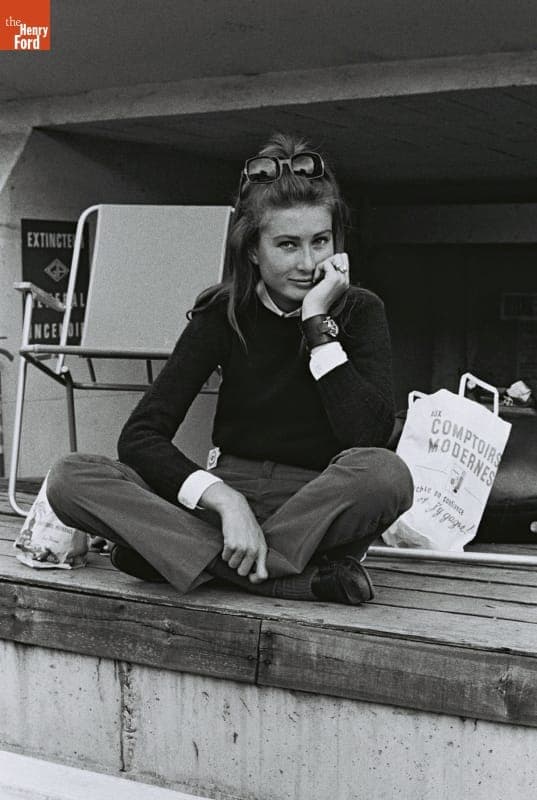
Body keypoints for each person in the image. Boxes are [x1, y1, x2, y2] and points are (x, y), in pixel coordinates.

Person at [46, 133, 413, 605]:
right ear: (253, 250)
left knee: (388, 474)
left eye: (320, 241)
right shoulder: (222, 312)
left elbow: (368, 435)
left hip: (314, 506)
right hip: (224, 501)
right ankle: (293, 580)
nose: (308, 262)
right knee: (70, 478)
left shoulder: (359, 310)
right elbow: (140, 436)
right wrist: (224, 499)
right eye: (287, 245)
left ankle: (180, 559)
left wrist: (318, 327)